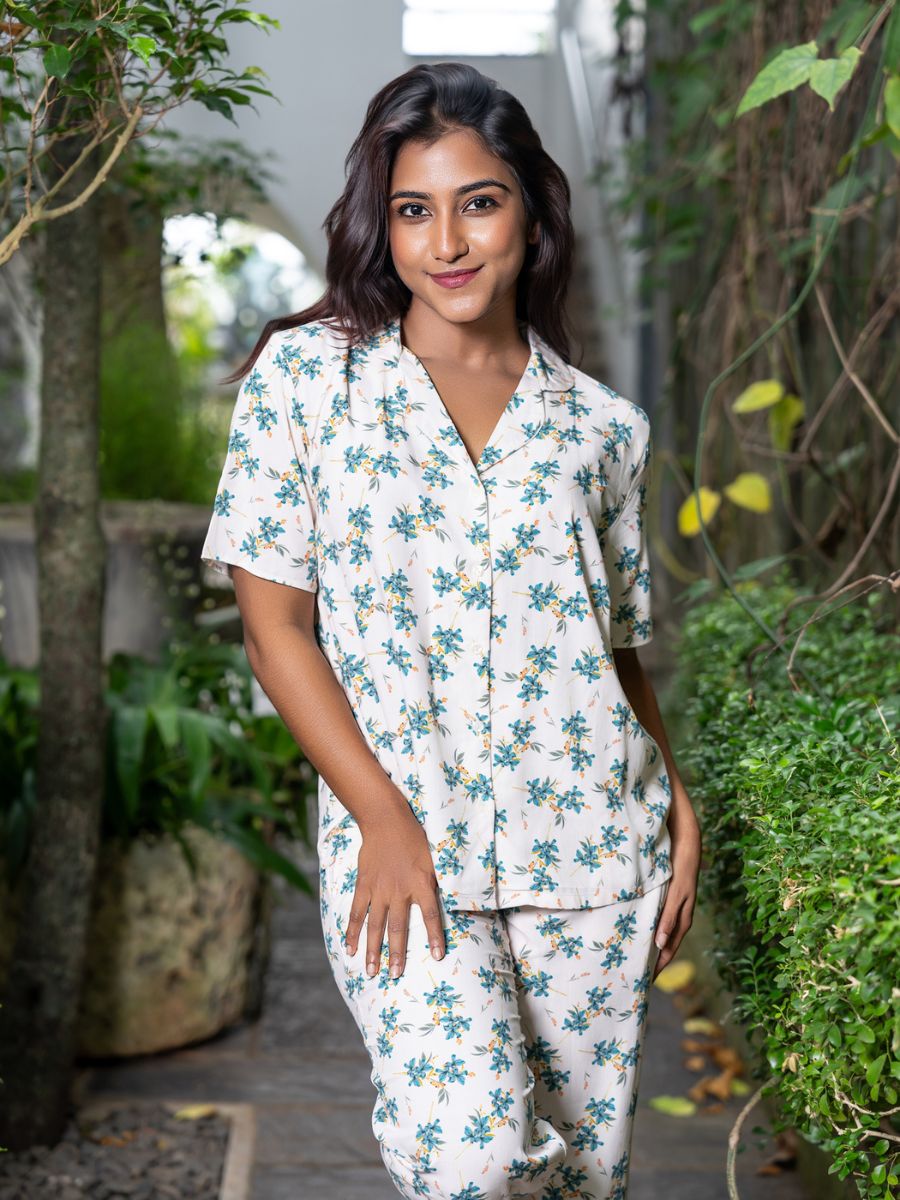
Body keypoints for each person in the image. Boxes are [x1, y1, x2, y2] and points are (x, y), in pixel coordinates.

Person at [201, 60, 701, 1200]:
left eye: (479, 201)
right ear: (384, 225)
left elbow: (615, 645)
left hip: (592, 859)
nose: (448, 242)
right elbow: (275, 627)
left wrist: (672, 790)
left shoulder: (603, 429)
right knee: (469, 1162)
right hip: (406, 852)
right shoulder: (310, 380)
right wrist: (379, 814)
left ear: (530, 207)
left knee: (578, 1180)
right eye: (414, 210)